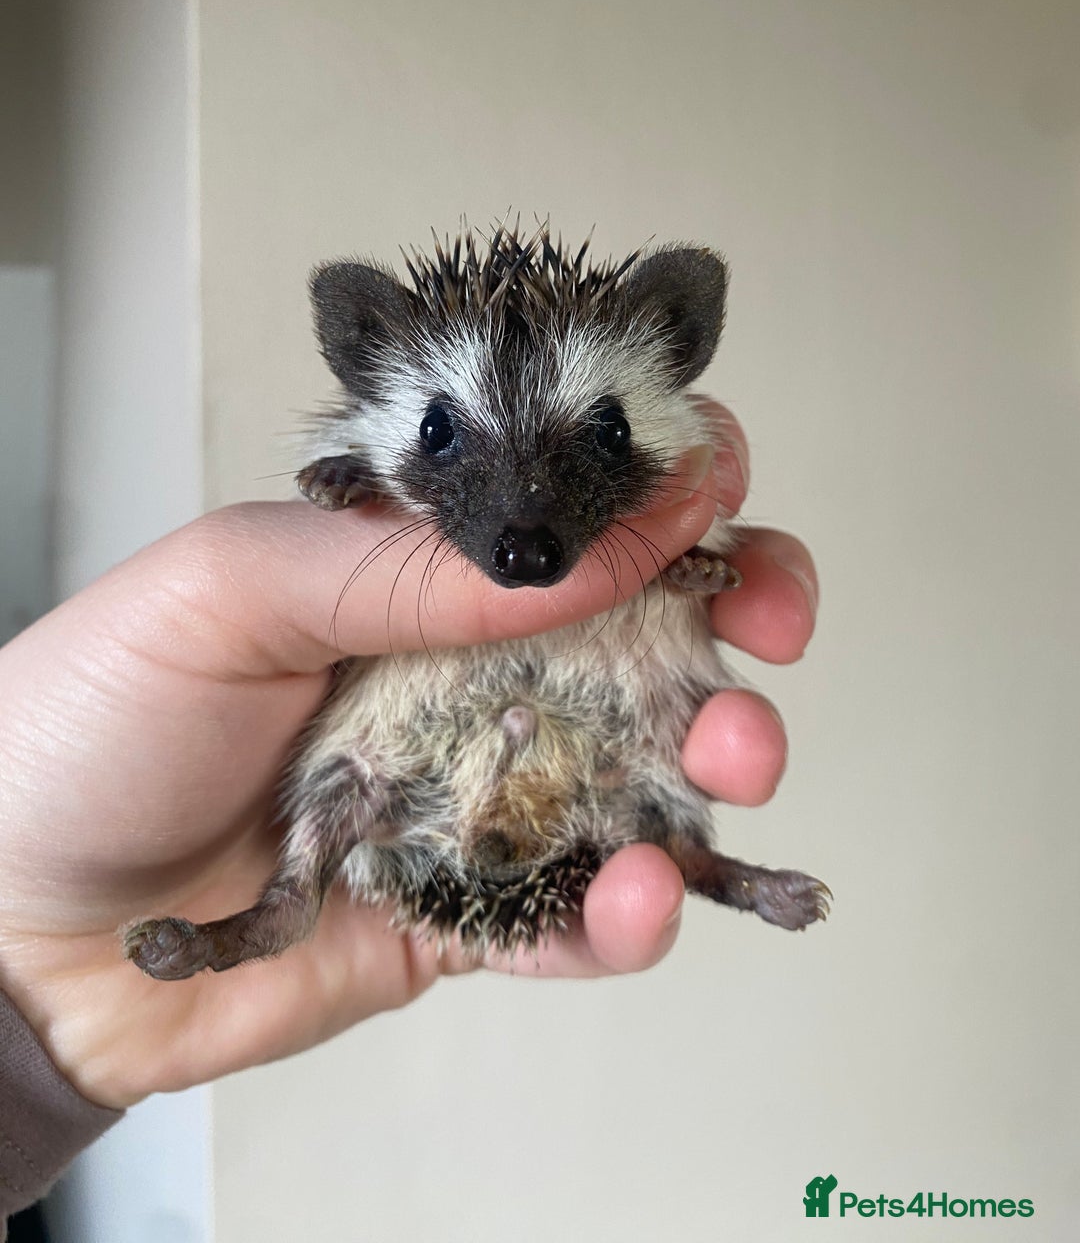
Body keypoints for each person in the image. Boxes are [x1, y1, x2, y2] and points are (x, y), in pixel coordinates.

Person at [0, 412, 817, 1223]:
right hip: (421, 764)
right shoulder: (375, 477)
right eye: (444, 434)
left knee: (663, 780)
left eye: (600, 433)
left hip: (585, 759)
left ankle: (708, 867)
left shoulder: (664, 485)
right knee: (356, 774)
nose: (525, 505)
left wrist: (672, 558)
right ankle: (279, 909)